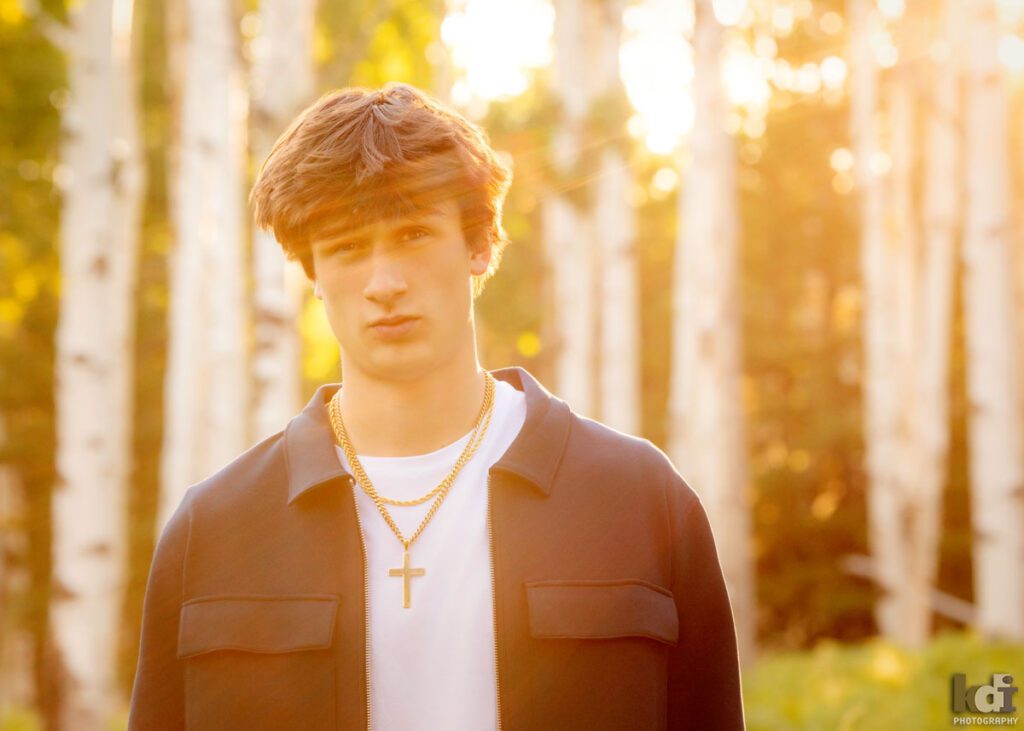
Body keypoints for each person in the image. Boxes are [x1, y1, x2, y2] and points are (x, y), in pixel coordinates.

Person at [127, 82, 745, 730]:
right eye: (346, 247)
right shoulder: (216, 529)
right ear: (312, 272)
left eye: (415, 233)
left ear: (478, 246)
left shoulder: (641, 500)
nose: (384, 283)